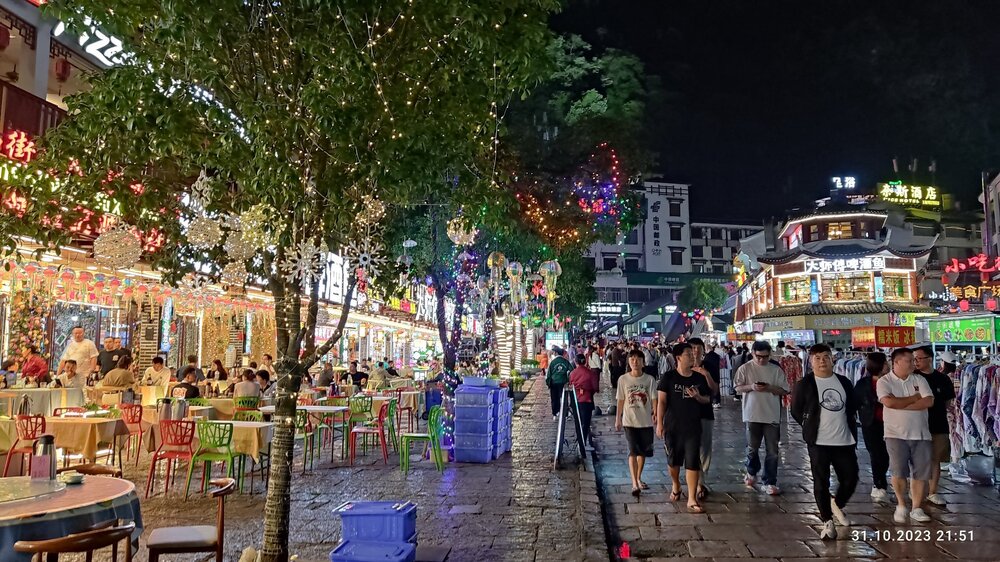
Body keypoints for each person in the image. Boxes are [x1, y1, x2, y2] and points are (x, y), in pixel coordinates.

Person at [791, 344, 859, 540]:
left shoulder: (844, 382)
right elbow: (796, 410)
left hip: (844, 439)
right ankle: (827, 521)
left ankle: (836, 503)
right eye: (818, 358)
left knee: (851, 478)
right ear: (811, 361)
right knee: (821, 481)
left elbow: (851, 406)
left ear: (832, 359)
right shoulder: (804, 384)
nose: (822, 361)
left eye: (826, 357)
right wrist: (810, 425)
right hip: (819, 441)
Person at [878, 347, 934, 524]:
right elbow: (888, 402)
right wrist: (914, 398)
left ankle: (916, 507)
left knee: (920, 473)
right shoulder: (884, 381)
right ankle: (901, 504)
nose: (913, 363)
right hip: (895, 434)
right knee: (898, 471)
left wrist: (901, 404)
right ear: (896, 362)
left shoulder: (919, 379)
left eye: (914, 360)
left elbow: (928, 401)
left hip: (921, 434)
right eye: (909, 360)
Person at [656, 343, 711, 513]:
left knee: (692, 461)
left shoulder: (699, 378)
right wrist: (659, 423)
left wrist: (698, 397)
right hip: (673, 426)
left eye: (692, 353)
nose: (692, 356)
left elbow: (707, 399)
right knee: (673, 462)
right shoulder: (668, 377)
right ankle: (676, 484)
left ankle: (692, 498)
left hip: (693, 426)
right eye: (688, 354)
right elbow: (662, 401)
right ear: (678, 357)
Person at [733, 340, 789, 495]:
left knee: (773, 451)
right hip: (752, 414)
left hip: (772, 415)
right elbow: (737, 388)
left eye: (765, 357)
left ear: (769, 355)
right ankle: (751, 471)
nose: (761, 360)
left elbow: (785, 390)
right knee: (752, 448)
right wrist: (751, 387)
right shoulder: (745, 368)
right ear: (753, 353)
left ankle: (770, 481)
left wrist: (769, 388)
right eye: (758, 356)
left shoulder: (775, 370)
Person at [913, 346, 956, 508]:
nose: (916, 362)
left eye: (919, 358)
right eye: (914, 359)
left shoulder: (943, 379)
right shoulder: (912, 377)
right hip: (917, 424)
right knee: (918, 460)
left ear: (929, 359)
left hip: (938, 424)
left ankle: (933, 492)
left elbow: (948, 402)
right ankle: (917, 491)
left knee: (935, 459)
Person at [616, 349, 657, 497]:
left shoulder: (650, 380)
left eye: (638, 359)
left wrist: (656, 414)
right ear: (629, 362)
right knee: (632, 451)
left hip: (645, 421)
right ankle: (634, 483)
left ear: (643, 363)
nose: (635, 362)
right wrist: (618, 418)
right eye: (632, 359)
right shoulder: (623, 379)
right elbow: (621, 400)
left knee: (642, 452)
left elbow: (654, 399)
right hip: (629, 421)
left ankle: (638, 477)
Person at [854, 352, 891, 503]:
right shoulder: (863, 383)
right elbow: (856, 401)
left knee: (887, 454)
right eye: (886, 363)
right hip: (871, 423)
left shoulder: (892, 381)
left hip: (891, 423)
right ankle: (879, 484)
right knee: (876, 454)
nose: (888, 365)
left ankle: (881, 480)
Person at [688, 337, 720, 500]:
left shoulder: (710, 366)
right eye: (692, 348)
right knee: (691, 448)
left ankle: (701, 482)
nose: (695, 351)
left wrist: (705, 374)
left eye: (698, 347)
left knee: (705, 449)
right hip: (687, 414)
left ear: (703, 349)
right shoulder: (684, 367)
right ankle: (695, 481)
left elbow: (715, 390)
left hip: (706, 413)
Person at [570, 353, 599, 448]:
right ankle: (583, 442)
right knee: (585, 423)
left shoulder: (572, 373)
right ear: (585, 361)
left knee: (577, 421)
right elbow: (595, 387)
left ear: (575, 362)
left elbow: (570, 386)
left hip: (575, 400)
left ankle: (579, 440)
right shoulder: (590, 373)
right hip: (587, 400)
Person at [546, 347, 573, 420]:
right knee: (564, 398)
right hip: (563, 383)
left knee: (554, 398)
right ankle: (566, 414)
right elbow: (572, 370)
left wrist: (548, 383)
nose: (553, 353)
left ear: (556, 353)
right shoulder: (565, 361)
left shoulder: (552, 362)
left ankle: (555, 413)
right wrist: (568, 379)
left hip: (554, 383)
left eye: (554, 352)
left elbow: (549, 374)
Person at [702, 342, 723, 407]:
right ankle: (718, 402)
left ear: (706, 349)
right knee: (717, 388)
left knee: (711, 389)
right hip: (716, 374)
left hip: (710, 375)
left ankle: (713, 401)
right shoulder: (717, 356)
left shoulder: (707, 356)